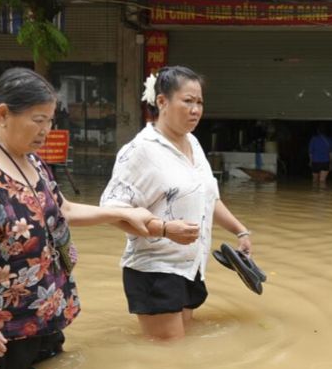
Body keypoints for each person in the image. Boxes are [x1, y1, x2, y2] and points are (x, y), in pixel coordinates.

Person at [0, 67, 157, 369]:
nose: (46, 130)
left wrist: (121, 215)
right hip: (4, 324)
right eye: (38, 120)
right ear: (3, 114)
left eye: (50, 121)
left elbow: (63, 209)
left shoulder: (34, 162)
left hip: (47, 309)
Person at [100, 66, 253, 341]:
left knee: (181, 354)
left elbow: (209, 198)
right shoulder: (140, 151)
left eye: (200, 102)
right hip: (155, 271)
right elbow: (111, 211)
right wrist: (164, 229)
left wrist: (240, 231)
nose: (196, 110)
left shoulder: (193, 143)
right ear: (162, 101)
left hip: (190, 267)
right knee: (168, 360)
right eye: (188, 101)